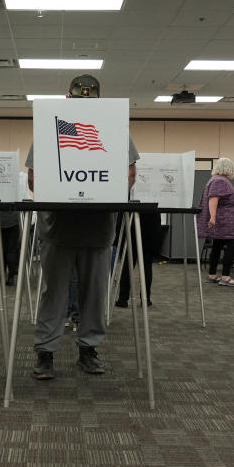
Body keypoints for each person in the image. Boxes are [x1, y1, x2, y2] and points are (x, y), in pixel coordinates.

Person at [27, 74, 139, 380]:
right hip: (59, 228)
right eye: (78, 102)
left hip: (96, 228)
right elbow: (34, 179)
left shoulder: (116, 131)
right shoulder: (50, 129)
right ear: (67, 100)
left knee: (93, 294)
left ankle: (87, 350)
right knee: (56, 294)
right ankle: (46, 352)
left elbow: (128, 176)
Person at [197, 157, 234, 287]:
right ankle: (225, 276)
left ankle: (212, 275)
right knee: (231, 245)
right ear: (228, 168)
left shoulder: (217, 180)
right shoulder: (220, 181)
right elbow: (213, 199)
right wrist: (212, 217)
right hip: (227, 224)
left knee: (217, 246)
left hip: (225, 223)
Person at [115, 210, 165, 308]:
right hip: (150, 223)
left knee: (127, 264)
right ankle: (146, 299)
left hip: (130, 220)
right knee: (146, 265)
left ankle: (123, 298)